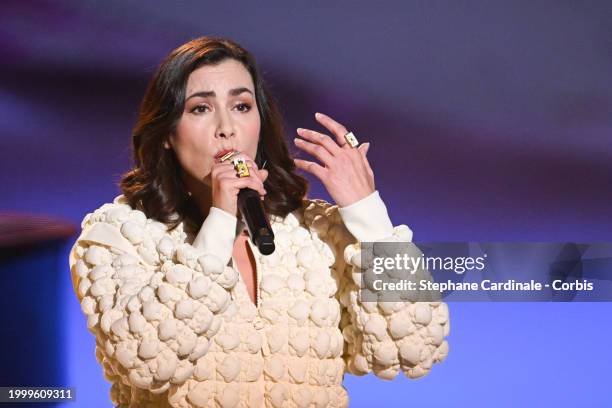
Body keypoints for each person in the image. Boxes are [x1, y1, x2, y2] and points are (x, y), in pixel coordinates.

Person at [68, 36, 450, 408]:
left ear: (260, 122)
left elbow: (414, 349)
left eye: (242, 106)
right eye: (200, 108)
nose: (226, 128)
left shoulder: (314, 231)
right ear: (167, 132)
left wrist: (368, 215)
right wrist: (220, 218)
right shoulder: (118, 235)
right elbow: (144, 359)